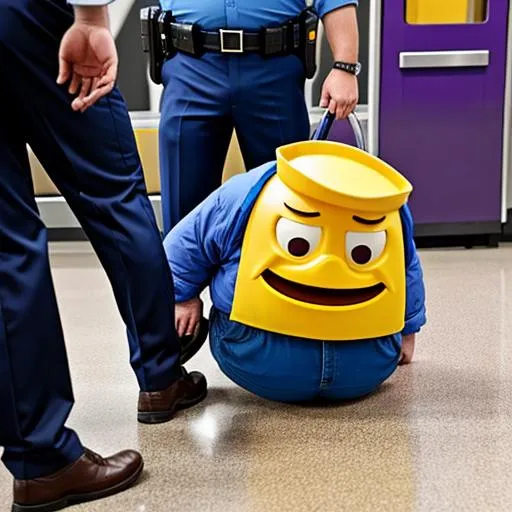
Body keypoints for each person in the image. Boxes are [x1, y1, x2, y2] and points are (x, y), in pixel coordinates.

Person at [0, 1, 206, 510]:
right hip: (28, 17)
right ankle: (160, 376)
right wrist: (91, 16)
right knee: (113, 194)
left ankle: (40, 458)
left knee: (5, 240)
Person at [164, 139, 426, 402]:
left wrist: (182, 297)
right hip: (367, 369)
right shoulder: (388, 204)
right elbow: (407, 268)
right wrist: (408, 332)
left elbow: (186, 243)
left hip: (253, 362)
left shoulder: (248, 188)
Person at [158, 0, 360, 234]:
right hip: (191, 66)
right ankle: (184, 271)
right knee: (185, 216)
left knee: (288, 209)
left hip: (274, 68)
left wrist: (345, 66)